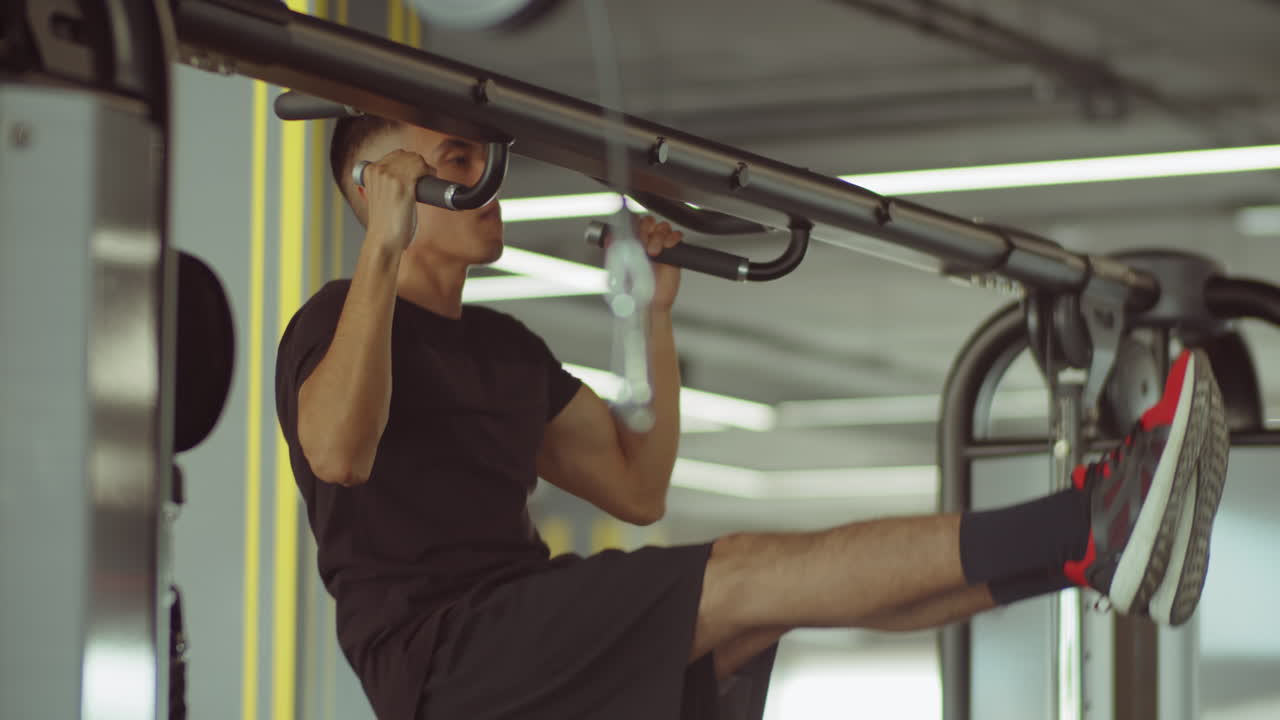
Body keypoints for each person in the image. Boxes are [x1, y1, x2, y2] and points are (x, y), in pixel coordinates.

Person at [274, 115, 1230, 720]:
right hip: (441, 658)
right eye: (452, 160)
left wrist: (653, 320)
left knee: (769, 603)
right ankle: (1088, 520)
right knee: (748, 574)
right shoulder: (333, 321)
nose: (482, 176)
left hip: (518, 640)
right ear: (382, 185)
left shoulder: (505, 350)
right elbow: (341, 453)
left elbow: (638, 488)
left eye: (480, 155)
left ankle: (1080, 558)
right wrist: (382, 252)